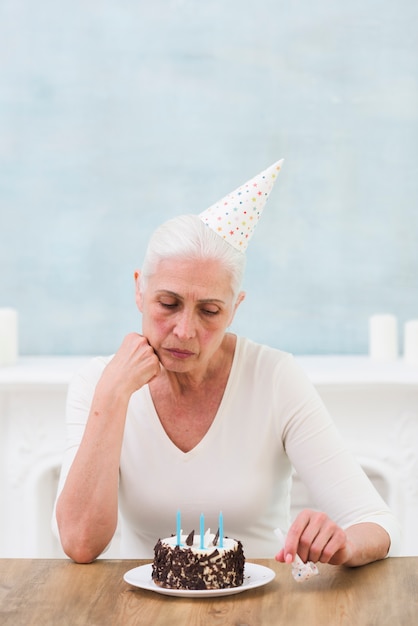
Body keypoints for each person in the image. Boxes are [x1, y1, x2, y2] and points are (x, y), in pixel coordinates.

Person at [53, 160, 401, 566]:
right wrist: (111, 396)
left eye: (210, 311)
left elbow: (375, 521)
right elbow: (79, 544)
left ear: (235, 308)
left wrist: (343, 543)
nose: (184, 330)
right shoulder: (97, 382)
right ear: (139, 290)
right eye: (168, 304)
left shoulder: (274, 377)